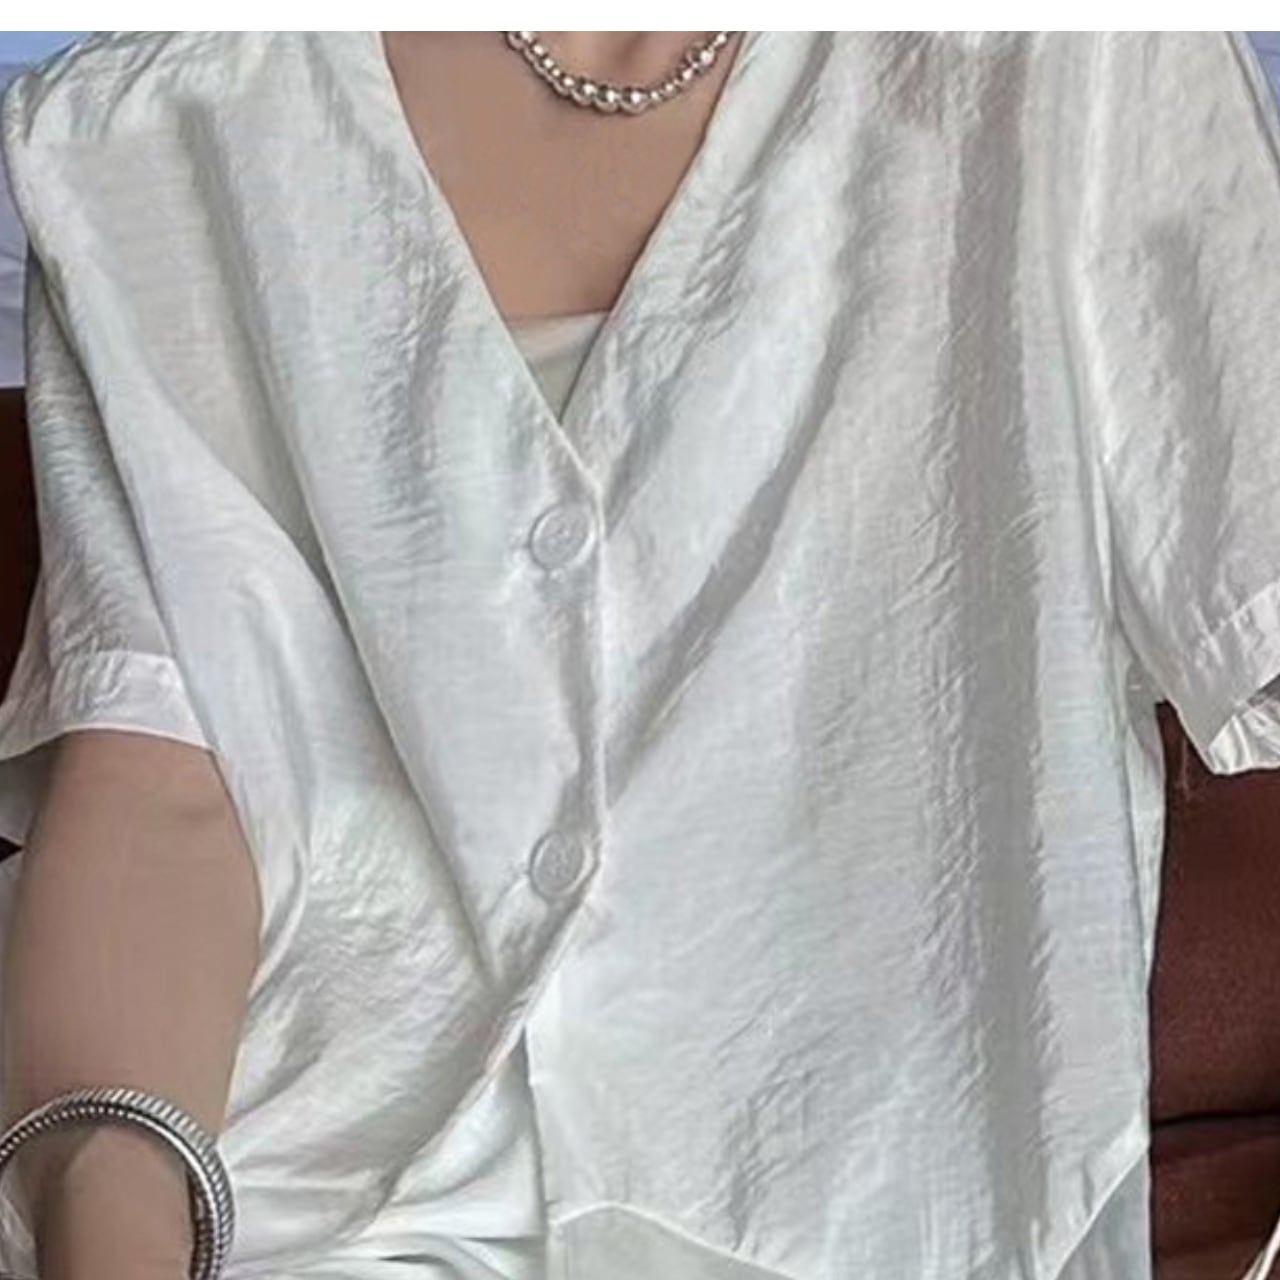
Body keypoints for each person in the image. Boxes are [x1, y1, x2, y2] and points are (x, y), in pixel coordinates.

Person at [0, 29, 1279, 1280]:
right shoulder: (143, 133)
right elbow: (160, 786)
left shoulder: (1076, 69)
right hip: (308, 1213)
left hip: (879, 1209)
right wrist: (109, 1201)